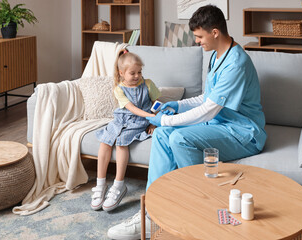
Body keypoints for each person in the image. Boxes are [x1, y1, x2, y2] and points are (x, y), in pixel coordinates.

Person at [107, 4, 266, 239]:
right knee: (161, 135)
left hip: (243, 133)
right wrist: (177, 105)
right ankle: (152, 212)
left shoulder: (236, 62)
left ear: (215, 32)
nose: (197, 41)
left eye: (200, 36)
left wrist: (167, 121)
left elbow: (209, 110)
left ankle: (195, 206)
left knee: (178, 137)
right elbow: (207, 98)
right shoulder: (217, 55)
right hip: (219, 125)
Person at [91, 49, 161, 212]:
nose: (137, 76)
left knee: (121, 143)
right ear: (121, 73)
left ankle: (118, 185)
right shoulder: (119, 89)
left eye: (139, 72)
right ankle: (100, 185)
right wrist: (151, 116)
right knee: (105, 141)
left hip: (139, 121)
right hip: (122, 119)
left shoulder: (148, 84)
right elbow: (130, 108)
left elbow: (157, 102)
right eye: (132, 73)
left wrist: (153, 120)